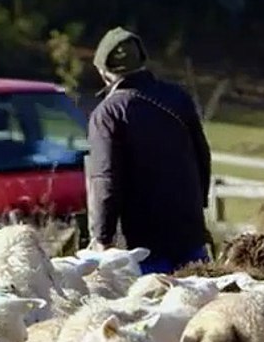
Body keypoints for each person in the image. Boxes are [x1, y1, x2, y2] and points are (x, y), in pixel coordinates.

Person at [83, 26, 214, 274]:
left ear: (103, 70)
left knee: (152, 298)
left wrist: (103, 237)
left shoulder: (108, 114)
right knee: (199, 295)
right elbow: (202, 156)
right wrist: (199, 206)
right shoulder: (178, 98)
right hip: (190, 231)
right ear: (142, 60)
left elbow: (105, 179)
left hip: (143, 242)